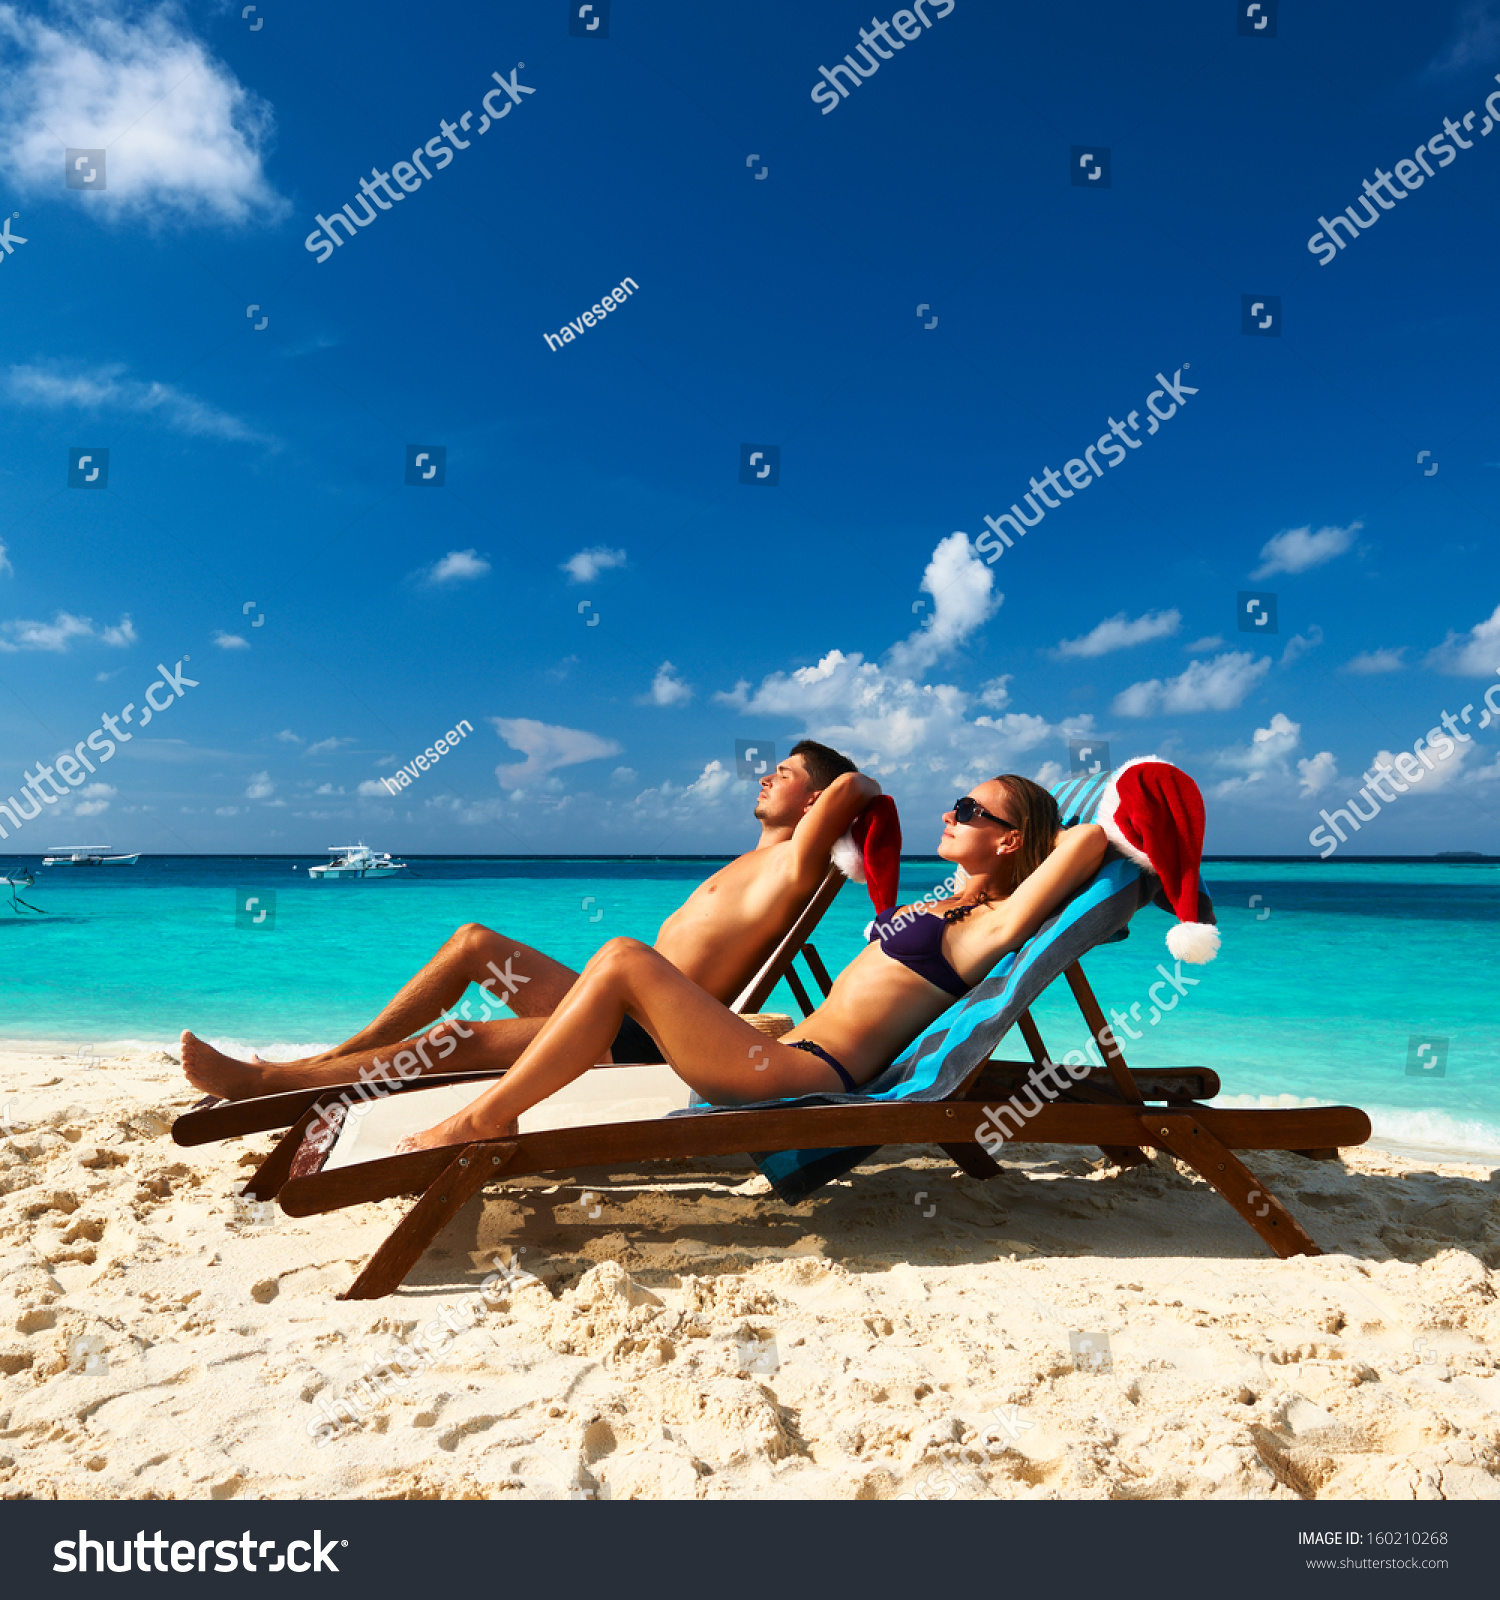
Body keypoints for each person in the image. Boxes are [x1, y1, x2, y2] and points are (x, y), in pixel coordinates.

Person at [392, 774, 1108, 1153]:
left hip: (799, 1075)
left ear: (1012, 844)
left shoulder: (988, 925)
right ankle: (491, 1109)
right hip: (779, 1050)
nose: (949, 815)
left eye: (969, 809)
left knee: (620, 959)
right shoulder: (948, 905)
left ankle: (485, 1117)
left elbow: (1081, 843)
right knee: (612, 968)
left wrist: (1107, 818)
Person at [180, 742, 879, 1101]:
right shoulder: (746, 862)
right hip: (611, 1009)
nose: (764, 777)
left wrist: (860, 801)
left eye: (782, 772)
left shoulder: (796, 864)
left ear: (814, 800)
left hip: (645, 1039)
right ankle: (335, 1059)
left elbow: (855, 787)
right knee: (474, 944)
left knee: (457, 1037)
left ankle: (270, 1083)